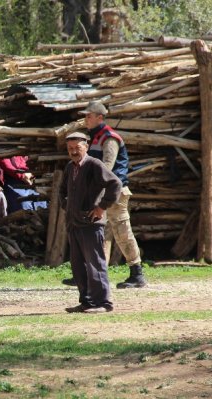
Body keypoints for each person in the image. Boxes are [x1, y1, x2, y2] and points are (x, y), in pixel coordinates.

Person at [74, 100, 147, 289]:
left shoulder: (109, 137)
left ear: (100, 117)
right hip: (100, 191)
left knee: (122, 231)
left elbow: (107, 166)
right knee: (95, 232)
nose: (86, 119)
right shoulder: (95, 137)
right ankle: (91, 274)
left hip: (115, 192)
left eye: (89, 116)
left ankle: (137, 273)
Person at [60, 132, 122, 313]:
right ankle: (87, 301)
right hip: (74, 222)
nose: (73, 152)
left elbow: (115, 184)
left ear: (86, 147)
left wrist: (101, 207)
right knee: (79, 265)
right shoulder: (70, 167)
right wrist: (68, 206)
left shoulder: (94, 164)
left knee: (95, 262)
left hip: (91, 223)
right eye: (70, 148)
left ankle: (103, 303)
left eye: (77, 148)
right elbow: (62, 190)